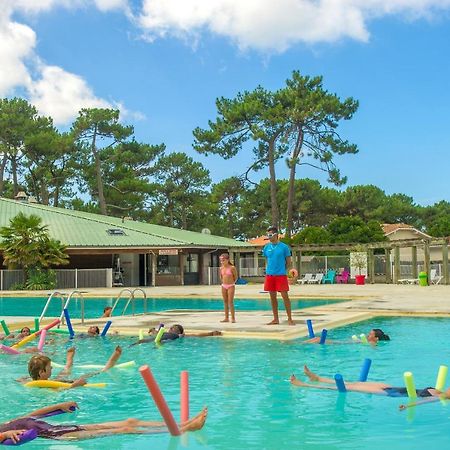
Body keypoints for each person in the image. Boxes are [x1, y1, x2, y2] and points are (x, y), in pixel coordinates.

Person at [0, 401, 208, 443]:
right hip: (58, 435)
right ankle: (184, 429)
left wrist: (58, 405)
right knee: (126, 429)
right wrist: (7, 435)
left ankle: (183, 423)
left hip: (53, 427)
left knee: (130, 420)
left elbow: (28, 416)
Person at [290, 365, 450, 405]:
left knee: (349, 388)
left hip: (393, 394)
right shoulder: (439, 391)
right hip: (393, 387)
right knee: (357, 383)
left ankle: (303, 385)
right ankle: (317, 378)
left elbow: (420, 403)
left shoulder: (440, 398)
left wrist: (406, 407)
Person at [18, 346, 122, 389]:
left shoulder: (29, 381)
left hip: (54, 382)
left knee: (65, 373)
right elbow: (54, 392)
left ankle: (69, 362)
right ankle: (105, 369)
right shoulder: (39, 387)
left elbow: (21, 380)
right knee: (75, 377)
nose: (52, 369)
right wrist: (74, 386)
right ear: (41, 372)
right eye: (50, 367)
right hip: (57, 385)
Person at [262, 226, 295, 325]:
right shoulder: (266, 247)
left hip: (280, 275)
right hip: (270, 275)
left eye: (270, 235)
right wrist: (269, 270)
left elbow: (288, 262)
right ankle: (275, 318)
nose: (269, 236)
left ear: (276, 235)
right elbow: (267, 260)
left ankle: (289, 318)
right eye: (268, 235)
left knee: (285, 296)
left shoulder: (284, 247)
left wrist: (282, 270)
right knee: (272, 297)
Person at [131, 324, 222, 346]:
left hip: (163, 342)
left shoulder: (179, 336)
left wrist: (211, 333)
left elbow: (196, 335)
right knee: (141, 341)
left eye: (174, 328)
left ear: (179, 332)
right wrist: (153, 330)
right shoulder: (163, 332)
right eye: (171, 327)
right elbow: (153, 331)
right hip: (154, 340)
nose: (171, 329)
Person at [304, 328, 390, 345]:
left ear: (376, 338)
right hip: (341, 342)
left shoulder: (372, 343)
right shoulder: (367, 341)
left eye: (371, 334)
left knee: (317, 339)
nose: (368, 335)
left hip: (340, 344)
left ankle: (299, 344)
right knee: (316, 339)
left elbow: (373, 347)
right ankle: (300, 343)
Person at [219, 253, 238, 323]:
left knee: (230, 302)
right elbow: (221, 277)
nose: (222, 262)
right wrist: (224, 282)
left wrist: (232, 283)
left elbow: (236, 277)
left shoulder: (232, 268)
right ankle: (226, 317)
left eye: (223, 260)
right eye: (221, 260)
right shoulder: (221, 268)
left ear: (227, 260)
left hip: (231, 285)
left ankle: (233, 318)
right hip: (224, 285)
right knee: (225, 302)